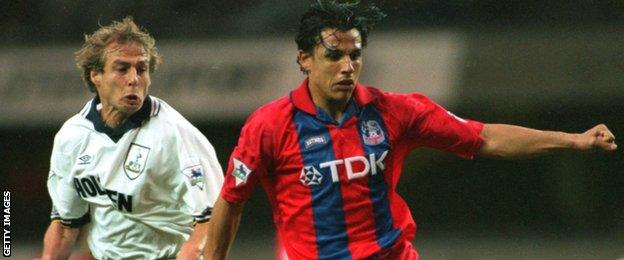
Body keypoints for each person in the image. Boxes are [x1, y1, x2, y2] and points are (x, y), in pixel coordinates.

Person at [205, 1, 617, 259]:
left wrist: (572, 140)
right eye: (334, 55)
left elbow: (485, 137)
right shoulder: (270, 125)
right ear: (304, 59)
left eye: (355, 54)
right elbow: (232, 198)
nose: (347, 66)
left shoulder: (396, 112)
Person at [41, 17, 224, 259]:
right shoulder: (72, 137)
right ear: (96, 75)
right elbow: (65, 226)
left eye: (142, 68)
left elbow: (213, 220)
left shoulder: (177, 135)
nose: (134, 78)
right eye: (122, 68)